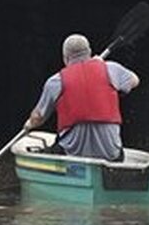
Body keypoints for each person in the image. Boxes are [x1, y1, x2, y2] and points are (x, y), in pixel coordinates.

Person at [23, 33, 140, 161]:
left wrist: (28, 125)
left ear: (65, 58)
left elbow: (38, 118)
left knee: (54, 148)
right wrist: (103, 66)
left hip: (72, 154)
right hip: (110, 155)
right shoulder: (111, 69)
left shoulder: (56, 81)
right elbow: (135, 80)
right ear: (89, 52)